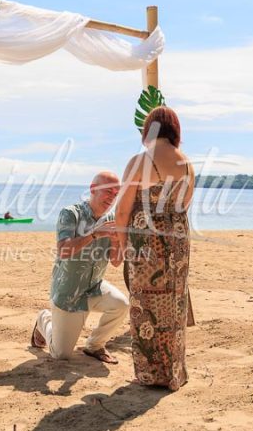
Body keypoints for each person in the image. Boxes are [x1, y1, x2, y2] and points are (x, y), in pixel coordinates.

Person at [114, 106, 194, 391]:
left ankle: (149, 374)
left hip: (147, 242)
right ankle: (174, 372)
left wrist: (121, 244)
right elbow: (183, 206)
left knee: (145, 304)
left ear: (148, 130)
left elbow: (123, 210)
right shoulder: (187, 163)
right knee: (175, 303)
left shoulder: (140, 161)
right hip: (179, 241)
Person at [31, 171, 129, 364]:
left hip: (94, 288)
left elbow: (116, 261)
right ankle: (44, 319)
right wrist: (95, 234)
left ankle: (94, 345)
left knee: (121, 305)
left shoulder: (112, 219)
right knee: (61, 354)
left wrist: (118, 241)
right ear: (93, 189)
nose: (112, 197)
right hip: (69, 294)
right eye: (108, 191)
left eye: (116, 193)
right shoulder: (70, 213)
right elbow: (64, 250)